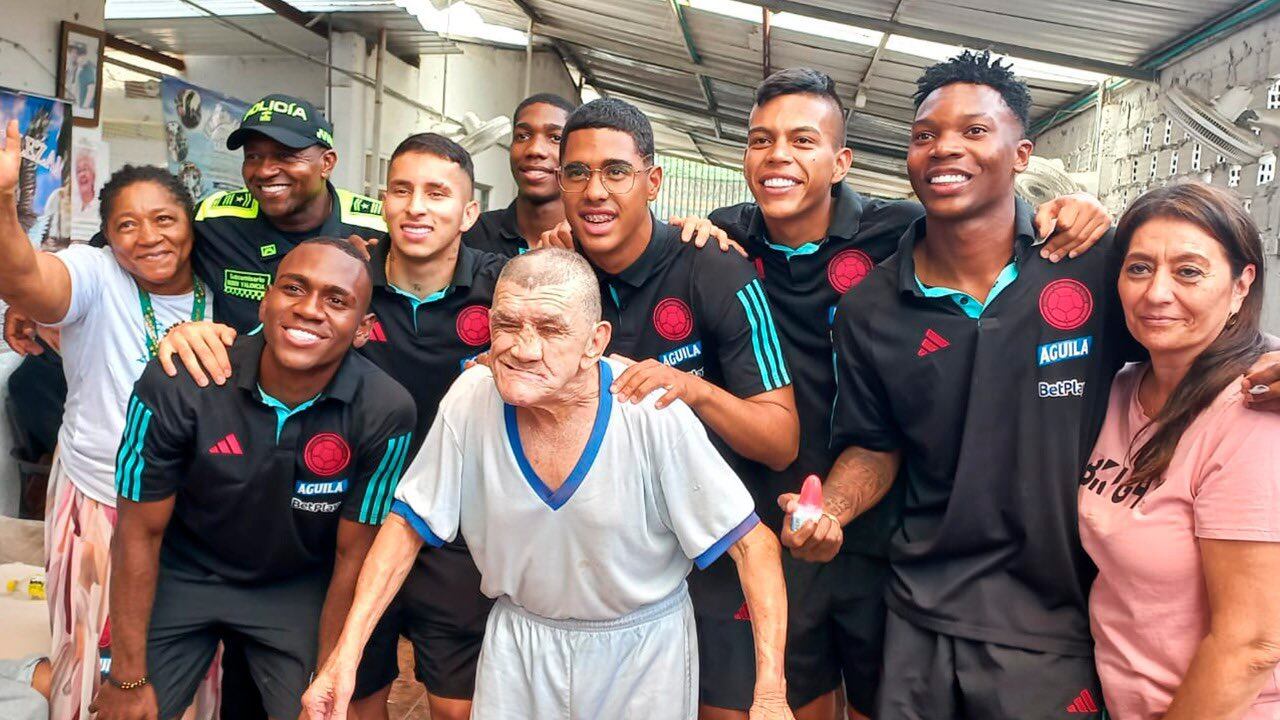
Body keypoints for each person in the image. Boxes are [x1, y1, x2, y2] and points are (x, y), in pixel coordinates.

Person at [303, 248, 793, 720]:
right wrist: (343, 659)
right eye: (507, 325)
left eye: (551, 329)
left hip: (642, 651)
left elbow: (755, 548)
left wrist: (770, 693)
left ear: (595, 342)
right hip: (521, 642)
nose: (522, 348)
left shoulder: (648, 411)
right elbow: (405, 527)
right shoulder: (472, 397)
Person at [150, 133, 512, 720]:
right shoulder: (347, 278)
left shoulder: (503, 289)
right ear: (383, 199)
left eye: (437, 193)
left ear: (469, 212)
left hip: (458, 530)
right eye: (402, 189)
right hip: (344, 526)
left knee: (456, 705)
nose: (417, 206)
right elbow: (267, 339)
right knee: (348, 695)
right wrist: (193, 332)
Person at [540, 97, 801, 717]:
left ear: (652, 181)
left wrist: (694, 391)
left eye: (616, 172)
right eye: (576, 173)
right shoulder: (552, 273)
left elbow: (782, 438)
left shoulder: (715, 269)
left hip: (709, 555)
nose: (595, 191)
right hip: (593, 564)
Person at [89, 238, 416, 720]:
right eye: (294, 288)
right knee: (128, 711)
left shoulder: (387, 412)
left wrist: (325, 680)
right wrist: (125, 677)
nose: (309, 309)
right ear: (265, 301)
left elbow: (352, 558)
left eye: (336, 300)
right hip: (186, 574)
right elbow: (139, 530)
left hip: (294, 587)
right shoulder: (179, 382)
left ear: (364, 328)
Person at [0, 120, 217, 720]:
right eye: (127, 224)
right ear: (108, 235)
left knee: (191, 671)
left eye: (165, 220)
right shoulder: (96, 275)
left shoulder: (225, 289)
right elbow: (26, 280)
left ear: (190, 223)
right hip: (99, 501)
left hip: (201, 512)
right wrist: (3, 206)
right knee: (94, 667)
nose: (148, 238)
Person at [1079, 183, 1280, 719]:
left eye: (1189, 271)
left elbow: (1252, 647)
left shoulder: (1252, 414)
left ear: (1242, 284)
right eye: (1139, 268)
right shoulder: (1118, 389)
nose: (1157, 293)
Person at [463, 93, 576, 256]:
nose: (535, 150)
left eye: (556, 138)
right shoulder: (470, 236)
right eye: (522, 136)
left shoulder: (594, 243)